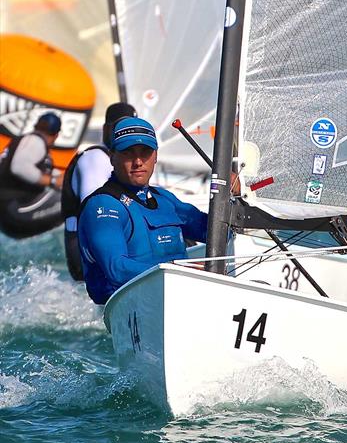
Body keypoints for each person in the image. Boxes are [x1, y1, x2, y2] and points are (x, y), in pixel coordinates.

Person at [78, 117, 208, 304]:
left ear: (155, 156)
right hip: (130, 307)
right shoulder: (103, 206)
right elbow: (117, 269)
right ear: (112, 157)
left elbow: (216, 231)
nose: (138, 161)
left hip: (182, 297)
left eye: (145, 152)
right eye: (128, 153)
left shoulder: (166, 200)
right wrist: (177, 270)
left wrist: (232, 196)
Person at [62, 102, 137, 280]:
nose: (125, 132)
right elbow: (99, 214)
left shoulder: (121, 163)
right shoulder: (95, 158)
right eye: (119, 126)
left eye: (131, 128)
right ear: (105, 129)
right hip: (90, 260)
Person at [0, 110, 64, 237]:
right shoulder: (36, 141)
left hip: (8, 213)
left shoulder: (22, 143)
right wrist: (52, 181)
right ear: (56, 135)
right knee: (74, 196)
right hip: (16, 211)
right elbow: (19, 167)